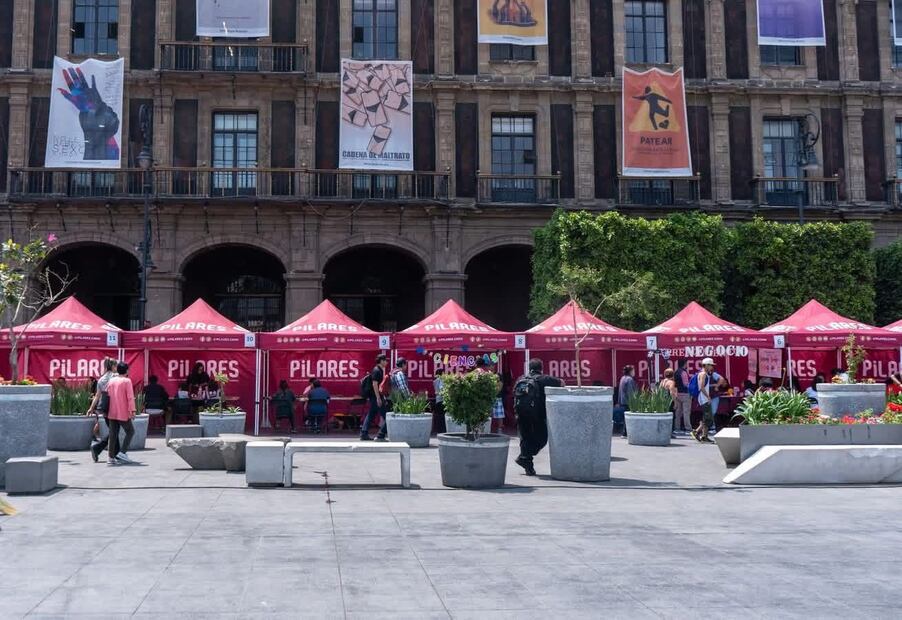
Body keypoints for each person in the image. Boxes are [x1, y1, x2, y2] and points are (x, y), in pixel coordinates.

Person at [512, 358, 563, 476]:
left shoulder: (521, 379)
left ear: (529, 368)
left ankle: (527, 464)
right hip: (537, 414)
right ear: (541, 368)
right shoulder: (544, 379)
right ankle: (524, 458)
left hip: (520, 412)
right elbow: (562, 383)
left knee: (525, 439)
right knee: (542, 439)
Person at [106, 361, 137, 465]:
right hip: (122, 411)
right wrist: (132, 410)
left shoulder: (111, 381)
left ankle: (110, 457)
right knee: (130, 431)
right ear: (127, 370)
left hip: (112, 411)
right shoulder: (127, 381)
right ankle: (122, 452)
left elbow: (108, 394)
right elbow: (130, 398)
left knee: (113, 434)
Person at [88, 357, 117, 463]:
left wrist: (91, 408)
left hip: (104, 407)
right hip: (114, 407)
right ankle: (100, 449)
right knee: (115, 431)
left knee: (114, 430)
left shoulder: (101, 379)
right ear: (113, 366)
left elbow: (97, 396)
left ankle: (112, 452)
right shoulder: (115, 377)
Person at [693, 357, 726, 443]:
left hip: (704, 398)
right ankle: (699, 433)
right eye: (711, 365)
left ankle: (702, 435)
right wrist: (708, 396)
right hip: (704, 399)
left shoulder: (703, 374)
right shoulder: (703, 374)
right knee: (708, 418)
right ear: (706, 365)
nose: (712, 367)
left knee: (707, 417)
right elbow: (702, 387)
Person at [360, 354, 389, 441]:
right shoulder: (377, 371)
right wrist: (378, 398)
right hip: (376, 397)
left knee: (371, 415)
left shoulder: (379, 370)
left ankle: (364, 433)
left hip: (375, 397)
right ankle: (381, 434)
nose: (387, 362)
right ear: (381, 361)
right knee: (387, 417)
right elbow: (374, 384)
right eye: (385, 360)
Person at [614, 365, 638, 438]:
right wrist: (634, 401)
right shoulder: (630, 379)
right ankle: (626, 433)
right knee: (628, 417)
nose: (634, 372)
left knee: (625, 417)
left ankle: (625, 433)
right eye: (633, 370)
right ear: (630, 371)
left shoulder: (622, 378)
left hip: (622, 400)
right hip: (628, 401)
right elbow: (630, 392)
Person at [673, 359, 692, 434]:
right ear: (684, 364)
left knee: (678, 412)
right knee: (686, 412)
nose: (687, 365)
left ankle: (677, 428)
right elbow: (686, 384)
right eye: (686, 363)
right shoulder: (683, 372)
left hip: (678, 394)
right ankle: (688, 428)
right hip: (685, 394)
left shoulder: (676, 372)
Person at [660, 368, 678, 438]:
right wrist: (675, 402)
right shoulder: (671, 382)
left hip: (663, 401)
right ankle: (670, 432)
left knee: (665, 416)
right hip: (669, 401)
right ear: (673, 375)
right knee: (671, 416)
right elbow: (672, 392)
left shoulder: (662, 381)